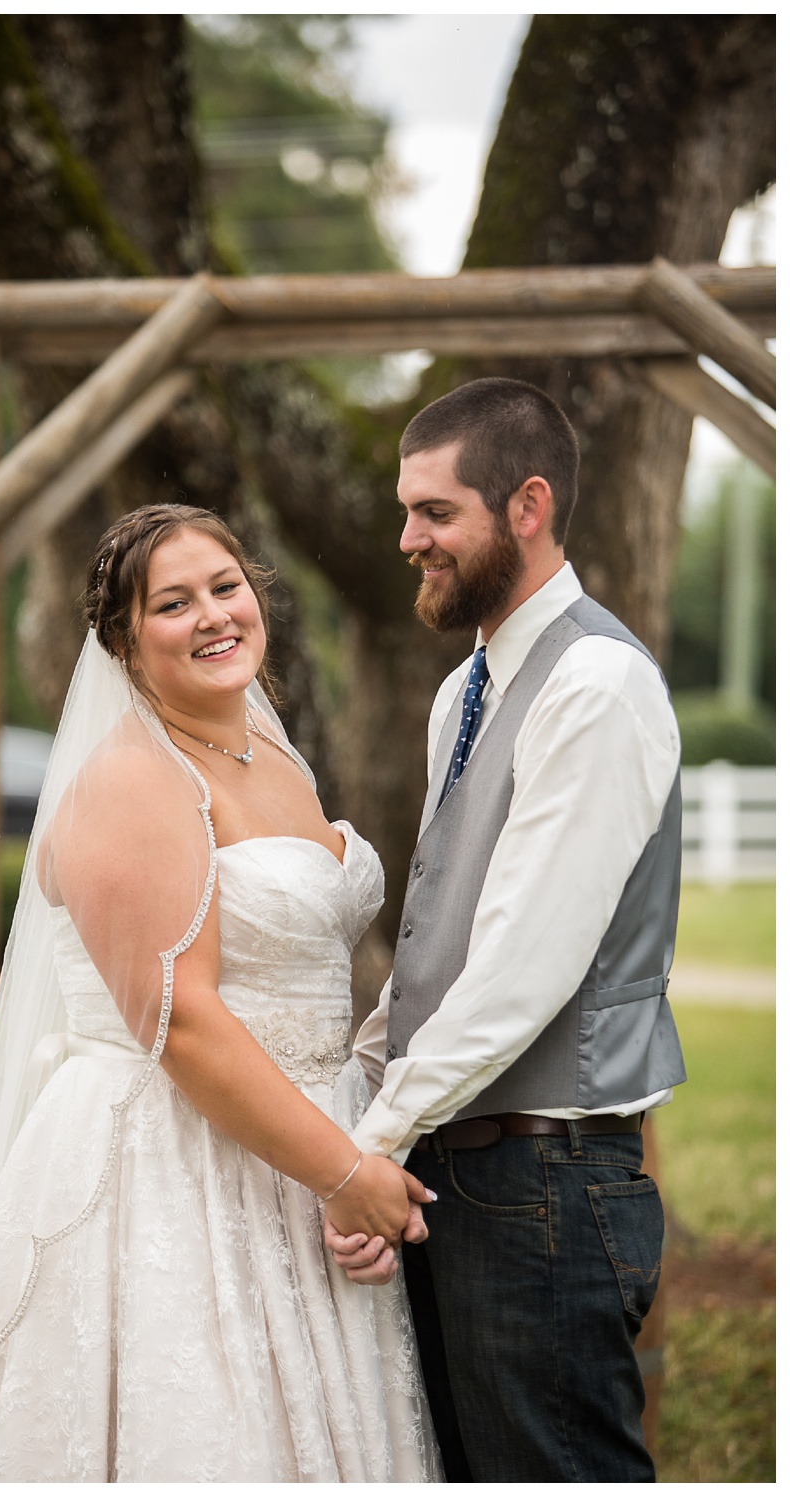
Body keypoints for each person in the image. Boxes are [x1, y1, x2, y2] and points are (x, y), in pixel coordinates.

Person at [0, 505, 440, 1482]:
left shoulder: (268, 753)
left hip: (304, 1142)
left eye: (224, 588)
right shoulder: (132, 782)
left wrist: (351, 1152)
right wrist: (343, 1175)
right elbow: (179, 1023)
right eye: (172, 604)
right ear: (122, 642)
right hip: (175, 1169)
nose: (211, 617)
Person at [327, 377, 685, 1481]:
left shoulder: (596, 685)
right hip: (459, 1179)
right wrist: (351, 1100)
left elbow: (524, 965)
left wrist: (368, 1145)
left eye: (435, 513)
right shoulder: (465, 690)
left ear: (524, 506)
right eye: (404, 510)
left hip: (549, 1187)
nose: (406, 539)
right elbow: (442, 935)